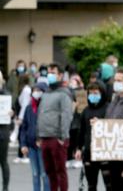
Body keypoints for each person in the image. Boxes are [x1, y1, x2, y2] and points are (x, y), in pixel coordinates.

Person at [37, 63, 74, 191]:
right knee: (49, 171)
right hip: (45, 137)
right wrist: (39, 135)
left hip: (57, 138)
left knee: (60, 171)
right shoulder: (46, 93)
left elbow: (66, 115)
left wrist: (62, 137)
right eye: (49, 72)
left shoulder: (64, 93)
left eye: (53, 72)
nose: (50, 75)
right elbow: (41, 113)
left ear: (60, 75)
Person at [75, 82, 112, 191]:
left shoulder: (109, 109)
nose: (92, 95)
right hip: (89, 152)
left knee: (109, 185)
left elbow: (114, 127)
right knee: (91, 185)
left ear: (102, 93)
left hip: (106, 152)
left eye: (95, 93)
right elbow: (81, 131)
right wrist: (78, 148)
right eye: (90, 93)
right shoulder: (86, 111)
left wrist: (101, 123)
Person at [19, 82, 50, 191]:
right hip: (31, 146)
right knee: (35, 174)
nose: (36, 93)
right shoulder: (29, 108)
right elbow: (24, 128)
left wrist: (42, 139)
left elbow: (50, 126)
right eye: (34, 90)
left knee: (45, 174)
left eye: (39, 90)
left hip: (43, 146)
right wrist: (23, 144)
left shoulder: (48, 108)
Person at [14, 74, 32, 164]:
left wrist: (21, 118)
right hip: (24, 114)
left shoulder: (25, 90)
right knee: (21, 135)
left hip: (24, 115)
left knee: (22, 135)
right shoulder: (26, 89)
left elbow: (25, 105)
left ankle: (25, 155)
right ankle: (21, 155)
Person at [0, 85, 14, 191]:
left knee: (3, 161)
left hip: (3, 131)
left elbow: (13, 111)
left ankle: (5, 188)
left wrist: (12, 113)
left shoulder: (7, 95)